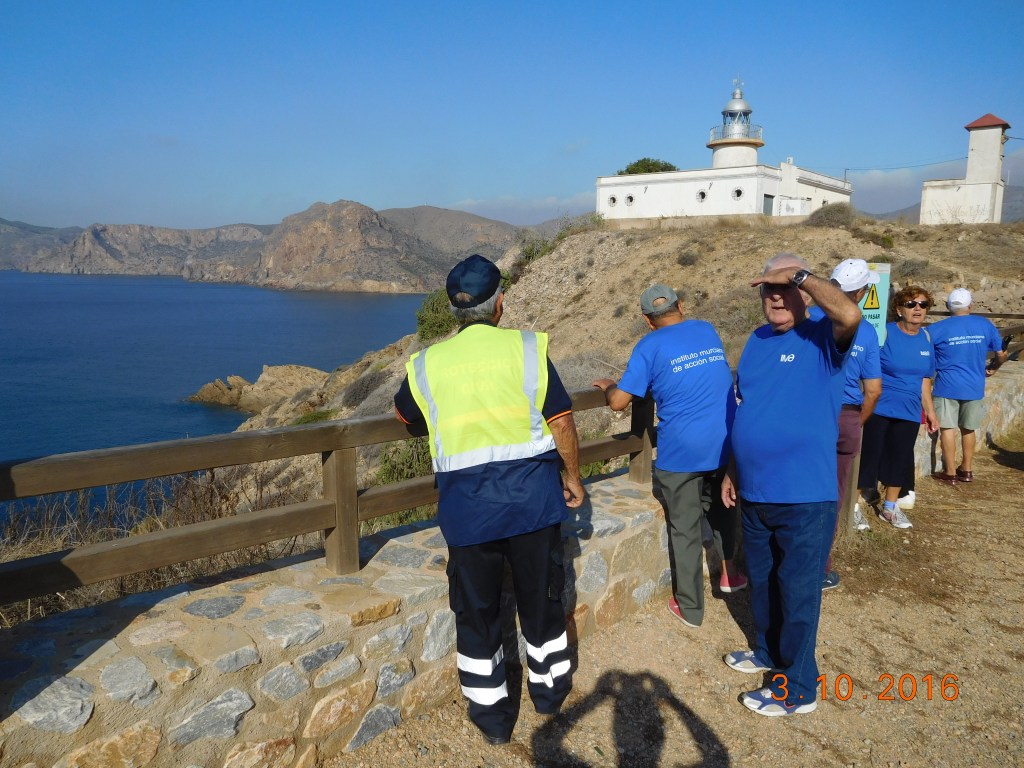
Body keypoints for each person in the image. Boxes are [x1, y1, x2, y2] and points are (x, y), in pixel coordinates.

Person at [393, 255, 585, 745]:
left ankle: (492, 718)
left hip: (467, 510)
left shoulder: (427, 364)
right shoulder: (528, 349)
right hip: (533, 503)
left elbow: (405, 417)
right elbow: (561, 420)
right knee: (542, 600)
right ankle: (549, 694)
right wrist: (573, 477)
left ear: (454, 309)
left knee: (476, 613)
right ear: (500, 303)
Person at [720, 252, 861, 717]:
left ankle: (798, 689)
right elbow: (748, 408)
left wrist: (800, 275)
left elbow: (850, 314)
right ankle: (767, 651)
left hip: (804, 496)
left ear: (806, 292)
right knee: (763, 583)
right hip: (756, 489)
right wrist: (733, 469)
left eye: (787, 288)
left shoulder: (823, 335)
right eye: (770, 288)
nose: (777, 297)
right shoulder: (757, 340)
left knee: (798, 593)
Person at [592, 284, 743, 631]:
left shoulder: (649, 346)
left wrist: (609, 385)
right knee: (723, 507)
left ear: (647, 320)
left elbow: (619, 402)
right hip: (725, 441)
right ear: (681, 306)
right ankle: (730, 575)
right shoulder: (706, 329)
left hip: (682, 452)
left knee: (685, 527)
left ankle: (690, 608)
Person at [810, 260, 882, 576]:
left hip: (809, 414)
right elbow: (874, 391)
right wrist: (855, 421)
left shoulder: (808, 319)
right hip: (846, 416)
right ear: (861, 293)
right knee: (833, 493)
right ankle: (820, 567)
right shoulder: (866, 331)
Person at [857, 286, 940, 528]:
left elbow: (925, 380)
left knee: (900, 459)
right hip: (879, 408)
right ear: (899, 309)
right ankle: (853, 507)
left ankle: (890, 508)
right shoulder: (884, 333)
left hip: (910, 410)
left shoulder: (926, 339)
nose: (918, 309)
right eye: (911, 304)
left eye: (923, 305)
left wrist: (930, 412)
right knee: (868, 458)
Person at [929, 287, 1008, 483]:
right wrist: (994, 367)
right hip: (974, 384)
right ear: (970, 306)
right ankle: (967, 469)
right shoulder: (984, 324)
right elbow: (1001, 354)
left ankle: (950, 472)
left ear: (948, 306)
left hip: (946, 385)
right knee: (968, 429)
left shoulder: (936, 329)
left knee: (947, 428)